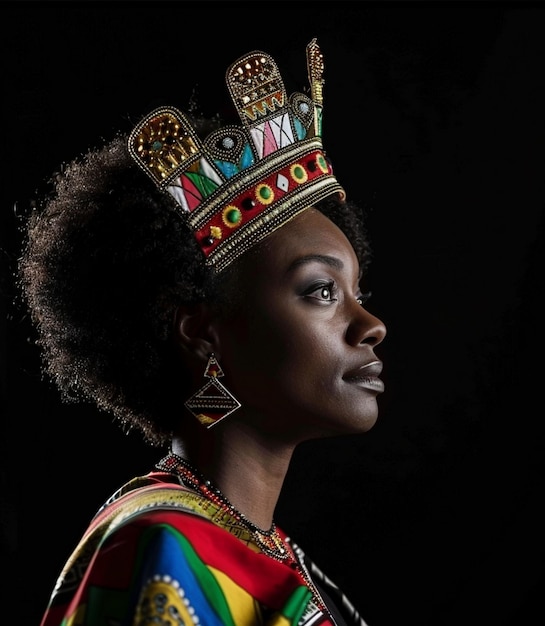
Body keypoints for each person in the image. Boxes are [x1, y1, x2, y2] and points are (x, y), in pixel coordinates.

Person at [18, 39, 386, 626]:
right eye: (321, 291)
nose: (371, 326)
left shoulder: (277, 554)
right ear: (202, 334)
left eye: (358, 296)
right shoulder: (163, 548)